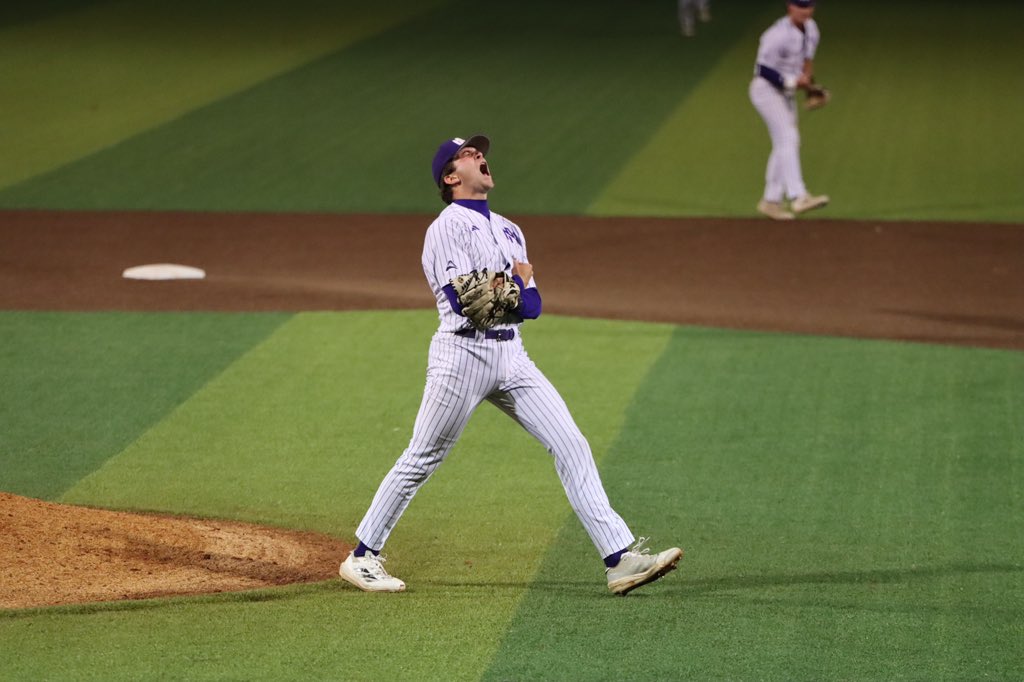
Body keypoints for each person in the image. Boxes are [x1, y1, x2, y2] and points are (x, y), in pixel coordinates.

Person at [338, 134, 683, 595]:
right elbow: (470, 305)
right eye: (468, 154)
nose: (481, 156)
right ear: (450, 176)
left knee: (571, 443)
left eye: (481, 152)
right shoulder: (446, 228)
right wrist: (512, 288)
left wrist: (511, 289)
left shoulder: (510, 229)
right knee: (423, 456)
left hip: (513, 357)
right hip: (461, 356)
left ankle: (618, 558)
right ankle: (362, 557)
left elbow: (534, 305)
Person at [749, 0, 829, 220]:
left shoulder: (812, 29)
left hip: (786, 93)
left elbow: (807, 62)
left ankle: (770, 201)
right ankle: (798, 195)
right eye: (800, 6)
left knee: (785, 142)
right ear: (789, 7)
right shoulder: (776, 35)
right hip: (765, 91)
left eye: (809, 6)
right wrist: (793, 83)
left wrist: (811, 89)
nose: (805, 11)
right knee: (788, 136)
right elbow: (762, 69)